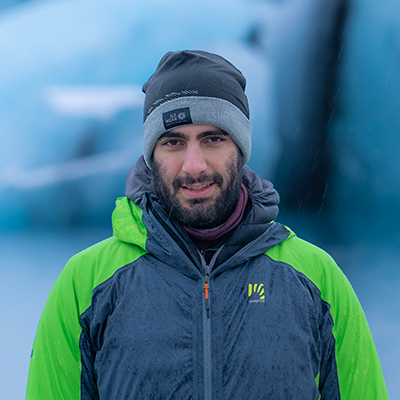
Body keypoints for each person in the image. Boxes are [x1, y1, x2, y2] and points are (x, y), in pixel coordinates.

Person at [26, 50, 388, 400]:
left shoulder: (315, 279)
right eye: (173, 142)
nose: (194, 166)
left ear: (240, 148)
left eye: (213, 139)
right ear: (151, 156)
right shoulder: (86, 284)